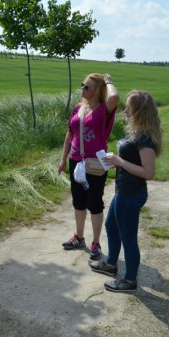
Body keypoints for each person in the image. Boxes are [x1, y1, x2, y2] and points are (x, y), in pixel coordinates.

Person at [89, 90, 163, 292]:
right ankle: (111, 264)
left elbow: (148, 172)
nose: (125, 111)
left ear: (138, 110)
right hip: (123, 191)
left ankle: (130, 280)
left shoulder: (144, 139)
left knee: (128, 238)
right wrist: (116, 162)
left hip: (131, 194)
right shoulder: (137, 133)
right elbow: (133, 162)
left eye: (128, 107)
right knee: (111, 226)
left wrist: (120, 161)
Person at [58, 73, 119, 260]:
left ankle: (96, 243)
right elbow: (70, 134)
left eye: (86, 87)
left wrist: (108, 81)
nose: (82, 89)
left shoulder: (103, 110)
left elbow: (114, 97)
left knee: (95, 203)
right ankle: (79, 237)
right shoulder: (78, 108)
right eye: (82, 85)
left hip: (95, 163)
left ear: (97, 91)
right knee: (78, 201)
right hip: (76, 161)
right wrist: (63, 159)